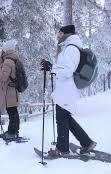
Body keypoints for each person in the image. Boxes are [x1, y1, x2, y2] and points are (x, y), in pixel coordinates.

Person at [41, 25, 96, 156]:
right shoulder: (69, 47)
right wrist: (51, 67)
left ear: (66, 34)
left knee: (61, 119)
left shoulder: (71, 49)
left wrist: (52, 67)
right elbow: (64, 68)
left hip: (66, 90)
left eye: (59, 34)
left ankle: (62, 149)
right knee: (66, 119)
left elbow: (67, 71)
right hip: (65, 90)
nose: (57, 36)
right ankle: (87, 142)